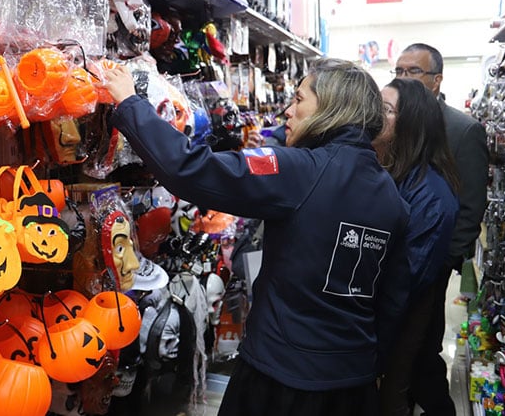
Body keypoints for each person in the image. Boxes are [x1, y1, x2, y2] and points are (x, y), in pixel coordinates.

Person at [103, 58, 412, 416]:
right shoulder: (393, 197)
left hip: (279, 378)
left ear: (330, 108)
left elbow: (193, 169)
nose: (288, 111)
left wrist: (130, 104)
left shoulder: (299, 171)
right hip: (352, 384)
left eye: (298, 99)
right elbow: (394, 300)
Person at [395, 43, 489, 415]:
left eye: (412, 72)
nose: (403, 78)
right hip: (394, 261)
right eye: (398, 71)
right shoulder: (392, 120)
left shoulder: (463, 130)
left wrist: (444, 262)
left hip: (431, 264)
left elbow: (470, 209)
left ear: (436, 81)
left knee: (421, 347)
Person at [373, 78, 460, 416]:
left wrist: (376, 351)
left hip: (398, 322)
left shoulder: (431, 195)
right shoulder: (392, 170)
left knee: (392, 395)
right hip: (385, 317)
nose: (375, 115)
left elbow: (403, 281)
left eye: (386, 110)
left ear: (411, 125)